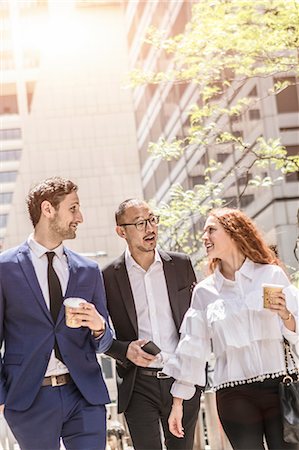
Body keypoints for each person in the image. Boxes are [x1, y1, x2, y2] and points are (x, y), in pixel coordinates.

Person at [165, 207, 299, 450]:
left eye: (211, 230)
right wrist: (177, 403)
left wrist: (285, 314)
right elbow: (192, 350)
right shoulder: (204, 292)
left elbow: (295, 331)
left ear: (234, 232)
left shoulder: (271, 275)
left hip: (280, 387)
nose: (204, 237)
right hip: (234, 393)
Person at [0, 177, 113, 450]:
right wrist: (3, 397)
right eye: (73, 208)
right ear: (48, 209)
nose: (80, 217)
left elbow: (106, 339)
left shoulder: (88, 270)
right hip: (29, 399)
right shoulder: (5, 269)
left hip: (84, 395)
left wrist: (99, 327)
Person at [103, 199, 202, 450]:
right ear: (121, 231)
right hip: (137, 384)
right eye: (139, 223)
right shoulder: (108, 276)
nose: (150, 228)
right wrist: (124, 350)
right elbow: (99, 335)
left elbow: (197, 324)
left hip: (180, 377)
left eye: (152, 219)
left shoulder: (180, 265)